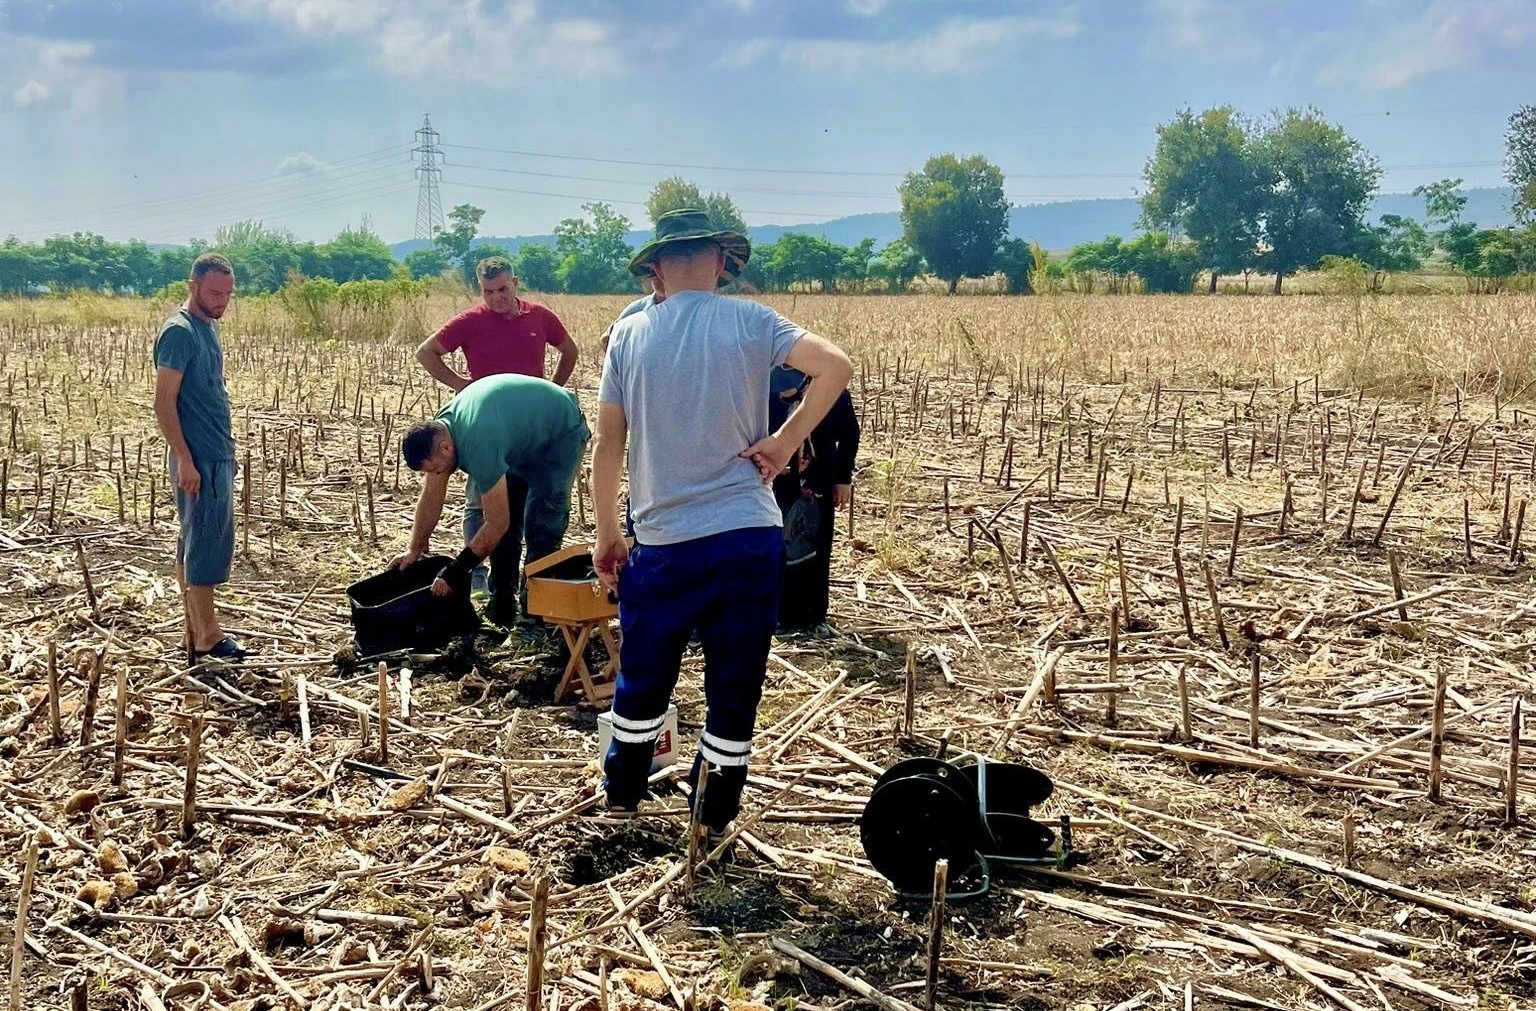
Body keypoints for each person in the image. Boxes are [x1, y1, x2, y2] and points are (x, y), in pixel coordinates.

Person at [592, 208, 853, 845]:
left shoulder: (628, 334)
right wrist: (788, 440)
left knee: (644, 678)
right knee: (735, 684)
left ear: (655, 269)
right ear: (720, 264)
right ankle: (710, 820)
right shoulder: (754, 321)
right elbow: (836, 366)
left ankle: (623, 802)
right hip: (747, 536)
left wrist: (607, 534)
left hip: (665, 541)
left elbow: (607, 443)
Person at [415, 256, 579, 613]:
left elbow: (570, 350)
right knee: (491, 515)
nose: (496, 298)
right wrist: (460, 384)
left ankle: (535, 610)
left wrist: (553, 390)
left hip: (550, 432)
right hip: (497, 430)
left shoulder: (539, 316)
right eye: (488, 292)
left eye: (502, 289)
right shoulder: (470, 322)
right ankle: (496, 597)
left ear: (515, 283)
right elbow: (426, 352)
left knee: (543, 519)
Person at [393, 375, 590, 626]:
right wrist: (415, 549)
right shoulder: (441, 431)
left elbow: (497, 523)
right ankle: (502, 605)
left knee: (542, 524)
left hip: (560, 432)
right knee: (506, 531)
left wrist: (455, 571)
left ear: (445, 448)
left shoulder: (478, 444)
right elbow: (432, 496)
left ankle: (534, 617)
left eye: (435, 469)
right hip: (520, 436)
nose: (435, 475)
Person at [152, 252, 245, 663]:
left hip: (215, 454)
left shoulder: (207, 327)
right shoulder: (180, 332)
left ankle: (194, 630)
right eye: (213, 293)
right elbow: (163, 402)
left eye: (227, 294)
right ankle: (207, 636)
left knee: (195, 541)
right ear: (192, 287)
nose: (221, 301)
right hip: (198, 459)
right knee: (204, 545)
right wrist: (185, 459)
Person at [770, 366, 861, 631]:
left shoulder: (833, 394)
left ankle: (812, 615)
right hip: (776, 482)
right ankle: (778, 614)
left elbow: (849, 436)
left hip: (818, 479)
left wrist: (842, 479)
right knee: (778, 544)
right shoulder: (765, 392)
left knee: (815, 544)